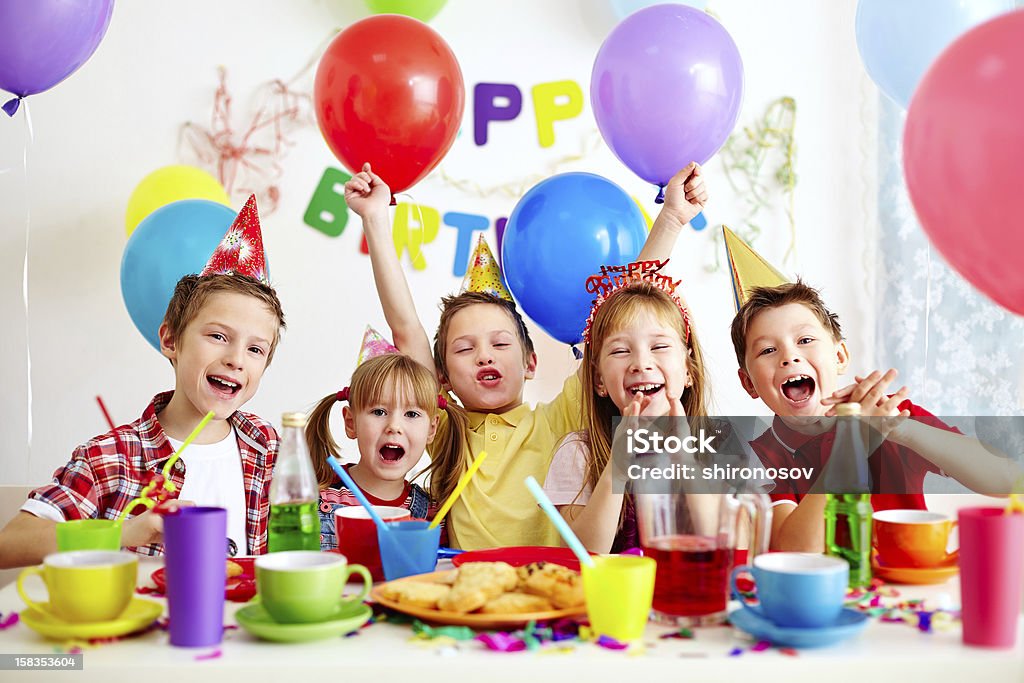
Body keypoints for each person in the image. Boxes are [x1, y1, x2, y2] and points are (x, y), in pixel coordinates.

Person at [344, 163, 708, 548]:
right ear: (442, 378)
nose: (485, 356)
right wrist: (375, 219)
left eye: (500, 344)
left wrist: (670, 220)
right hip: (468, 593)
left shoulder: (558, 422)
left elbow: (621, 314)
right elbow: (406, 329)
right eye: (465, 349)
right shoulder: (445, 430)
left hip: (546, 590)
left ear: (530, 363)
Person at [0, 197, 285, 567]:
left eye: (256, 349)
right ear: (170, 340)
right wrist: (126, 532)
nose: (235, 359)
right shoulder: (111, 456)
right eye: (218, 336)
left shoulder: (267, 447)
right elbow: (10, 544)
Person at [731, 280, 1020, 551]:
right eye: (768, 350)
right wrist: (852, 445)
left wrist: (902, 430)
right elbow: (797, 550)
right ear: (748, 384)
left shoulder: (890, 414)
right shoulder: (757, 459)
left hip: (908, 593)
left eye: (805, 340)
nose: (789, 357)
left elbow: (1009, 481)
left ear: (840, 357)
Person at [542, 262, 712, 553]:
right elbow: (580, 554)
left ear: (688, 371)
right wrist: (618, 465)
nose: (641, 363)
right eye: (620, 350)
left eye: (659, 347)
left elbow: (729, 545)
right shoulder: (578, 452)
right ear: (599, 380)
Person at [306, 353, 466, 549]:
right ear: (351, 423)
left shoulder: (432, 516)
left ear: (431, 430)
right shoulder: (312, 496)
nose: (394, 426)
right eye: (379, 412)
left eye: (411, 414)